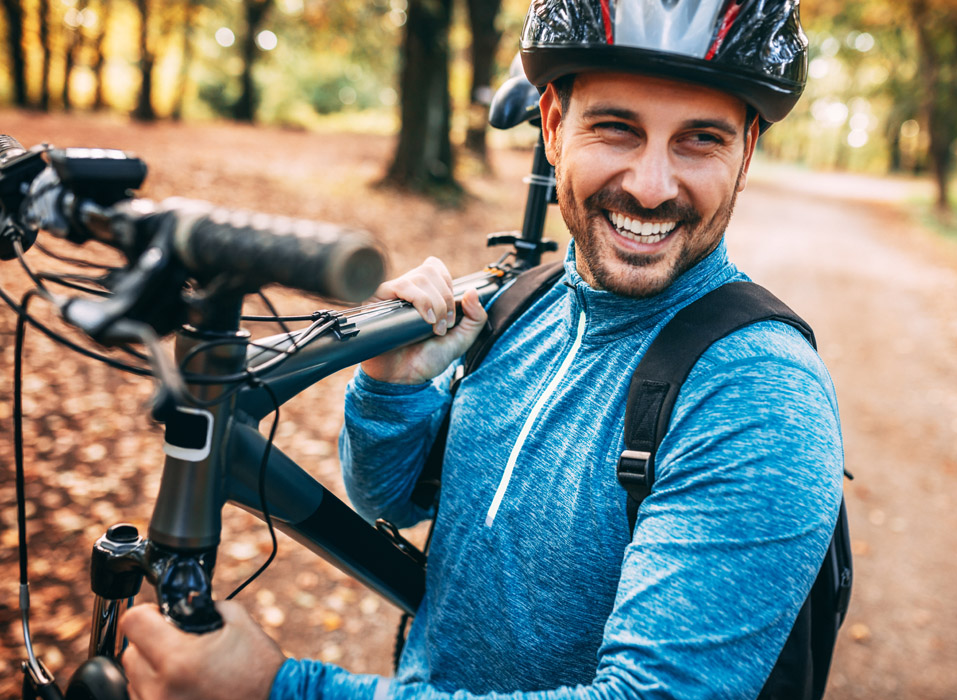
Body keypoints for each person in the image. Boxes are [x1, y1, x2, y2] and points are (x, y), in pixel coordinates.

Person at [120, 1, 844, 698]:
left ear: (745, 153)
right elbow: (391, 501)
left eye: (701, 139)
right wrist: (392, 390)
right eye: (617, 128)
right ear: (554, 127)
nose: (652, 187)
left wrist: (274, 692)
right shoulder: (526, 304)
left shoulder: (758, 392)